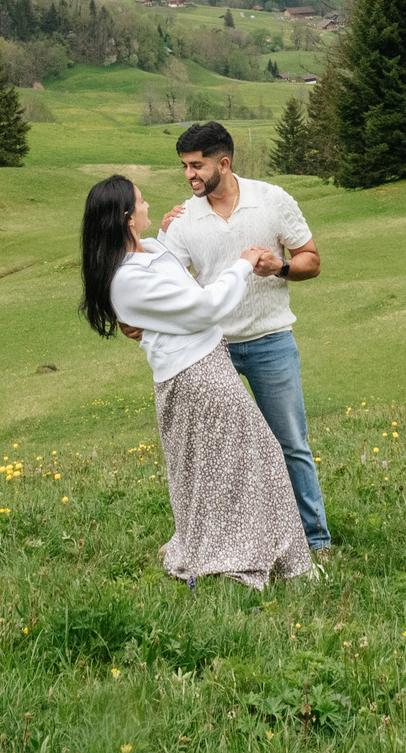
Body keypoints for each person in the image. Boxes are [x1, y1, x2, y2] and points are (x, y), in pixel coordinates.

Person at [81, 174, 314, 588]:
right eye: (141, 201)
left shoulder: (149, 248)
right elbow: (205, 307)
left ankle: (249, 549)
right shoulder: (127, 278)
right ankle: (255, 557)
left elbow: (164, 264)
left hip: (208, 363)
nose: (150, 203)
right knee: (252, 458)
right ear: (126, 217)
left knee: (220, 466)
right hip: (195, 376)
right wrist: (243, 264)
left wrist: (165, 231)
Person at [155, 120, 332, 554]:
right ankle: (232, 541)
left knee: (290, 443)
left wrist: (281, 267)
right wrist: (159, 236)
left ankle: (315, 539)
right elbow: (164, 281)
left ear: (224, 163)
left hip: (271, 341)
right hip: (212, 351)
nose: (189, 175)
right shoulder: (182, 219)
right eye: (184, 167)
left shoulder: (272, 200)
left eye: (197, 165)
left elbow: (311, 259)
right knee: (221, 452)